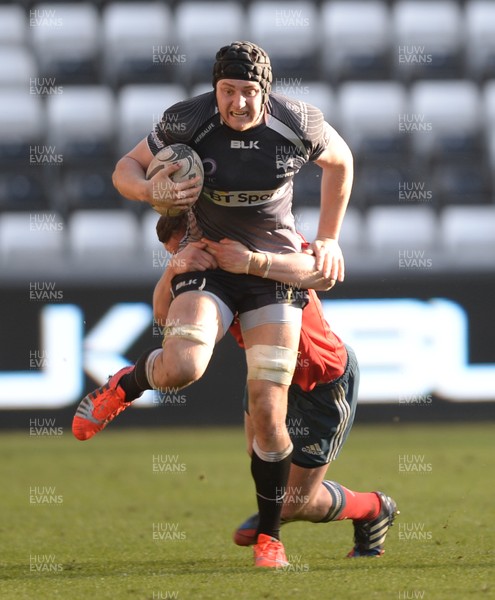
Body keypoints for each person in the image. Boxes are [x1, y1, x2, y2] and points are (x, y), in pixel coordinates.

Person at [72, 41, 354, 568]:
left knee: (270, 413)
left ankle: (271, 539)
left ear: (265, 93)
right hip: (209, 264)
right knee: (180, 368)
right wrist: (149, 190)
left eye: (249, 93)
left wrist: (330, 237)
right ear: (215, 88)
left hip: (270, 273)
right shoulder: (188, 121)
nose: (238, 103)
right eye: (228, 91)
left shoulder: (299, 123)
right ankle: (125, 386)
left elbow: (341, 162)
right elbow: (124, 169)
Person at [153, 216, 399, 559]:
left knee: (297, 503)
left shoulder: (271, 240)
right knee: (265, 463)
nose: (188, 254)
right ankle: (274, 525)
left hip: (322, 382)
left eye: (184, 246)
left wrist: (260, 260)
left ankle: (373, 508)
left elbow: (322, 271)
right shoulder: (199, 267)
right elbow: (164, 317)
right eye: (177, 251)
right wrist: (173, 270)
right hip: (266, 373)